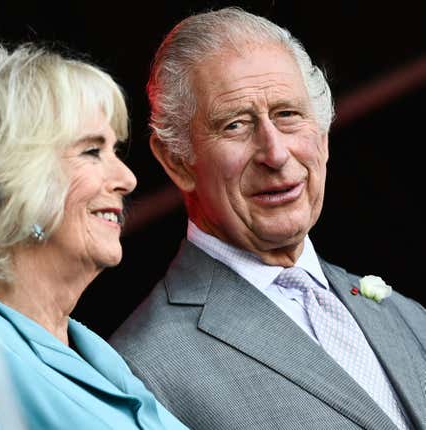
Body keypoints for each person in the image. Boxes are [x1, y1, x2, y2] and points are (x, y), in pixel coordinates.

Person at [110, 7, 426, 430]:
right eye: (236, 125)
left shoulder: (405, 314)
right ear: (177, 161)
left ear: (323, 136)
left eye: (288, 114)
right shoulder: (142, 372)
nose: (275, 153)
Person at [0, 43, 189, 430]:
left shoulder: (99, 358)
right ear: (12, 180)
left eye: (114, 150)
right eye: (92, 151)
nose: (127, 179)